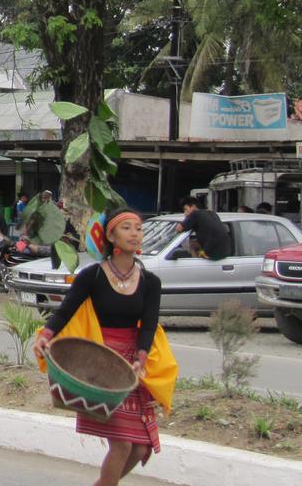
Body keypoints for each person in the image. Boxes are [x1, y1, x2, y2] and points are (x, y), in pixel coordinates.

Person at [33, 209, 178, 486]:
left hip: (131, 367)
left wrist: (142, 358)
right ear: (110, 236)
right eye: (126, 228)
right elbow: (66, 311)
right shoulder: (93, 276)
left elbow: (148, 325)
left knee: (140, 448)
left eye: (138, 228)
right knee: (122, 445)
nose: (134, 233)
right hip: (101, 366)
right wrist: (46, 335)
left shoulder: (150, 282)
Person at [176, 196, 232, 260]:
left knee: (191, 244)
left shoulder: (195, 214)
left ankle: (196, 263)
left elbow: (179, 229)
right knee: (194, 244)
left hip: (213, 254)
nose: (185, 213)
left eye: (185, 209)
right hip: (225, 252)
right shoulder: (212, 213)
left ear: (193, 207)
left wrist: (186, 218)